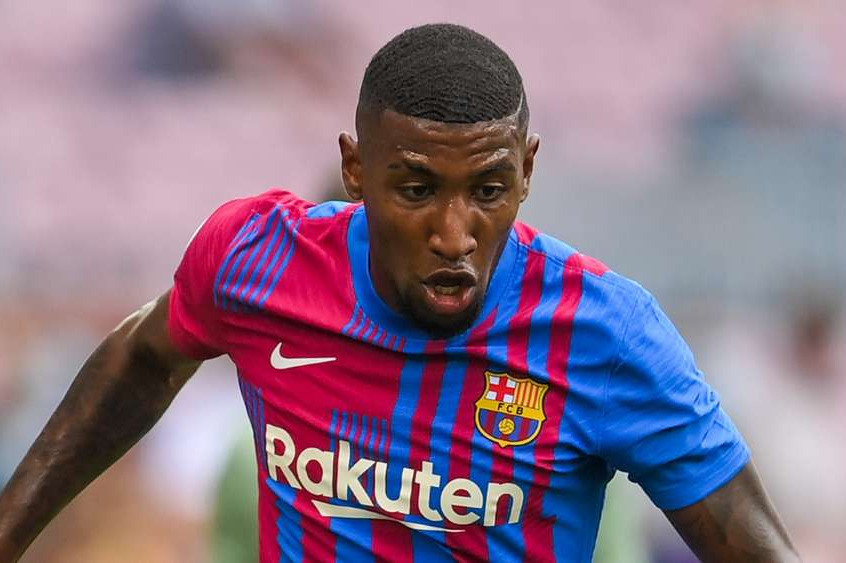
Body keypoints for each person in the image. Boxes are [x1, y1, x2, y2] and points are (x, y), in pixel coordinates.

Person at [0, 23, 798, 562]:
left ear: (527, 170)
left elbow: (755, 545)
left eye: (488, 189)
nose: (454, 234)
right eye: (416, 189)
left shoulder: (606, 331)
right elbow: (145, 354)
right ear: (355, 169)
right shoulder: (254, 258)